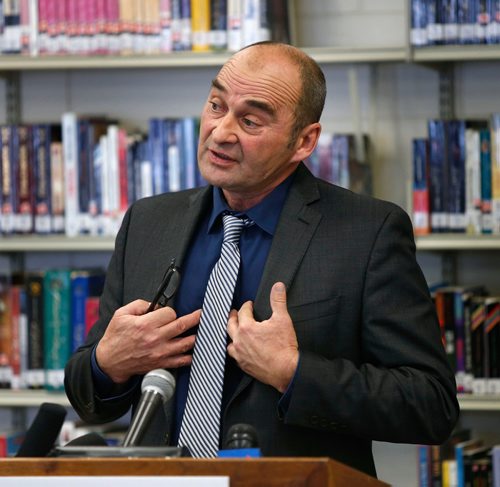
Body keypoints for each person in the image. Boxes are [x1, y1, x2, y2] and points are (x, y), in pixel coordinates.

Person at [64, 42, 459, 477]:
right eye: (216, 105)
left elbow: (431, 405)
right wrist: (108, 363)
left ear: (304, 141)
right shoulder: (148, 221)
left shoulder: (368, 233)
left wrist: (295, 373)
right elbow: (89, 395)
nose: (221, 131)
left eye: (250, 120)